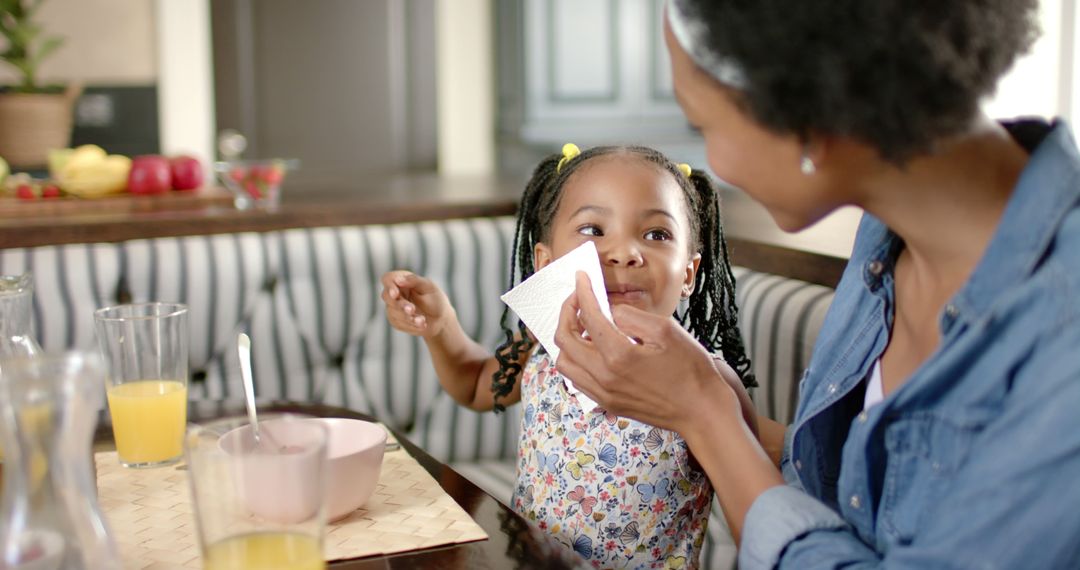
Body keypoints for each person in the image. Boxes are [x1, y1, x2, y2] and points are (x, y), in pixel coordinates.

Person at [554, 0, 1080, 567]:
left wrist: (704, 416)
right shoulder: (888, 234)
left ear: (806, 117)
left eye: (703, 124)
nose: (715, 165)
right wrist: (722, 406)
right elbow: (861, 491)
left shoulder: (1061, 347)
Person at [381, 143, 758, 568]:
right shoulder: (544, 344)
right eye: (594, 230)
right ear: (546, 262)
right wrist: (441, 327)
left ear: (688, 273)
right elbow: (472, 385)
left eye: (656, 235)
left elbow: (758, 521)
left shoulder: (704, 381)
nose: (624, 252)